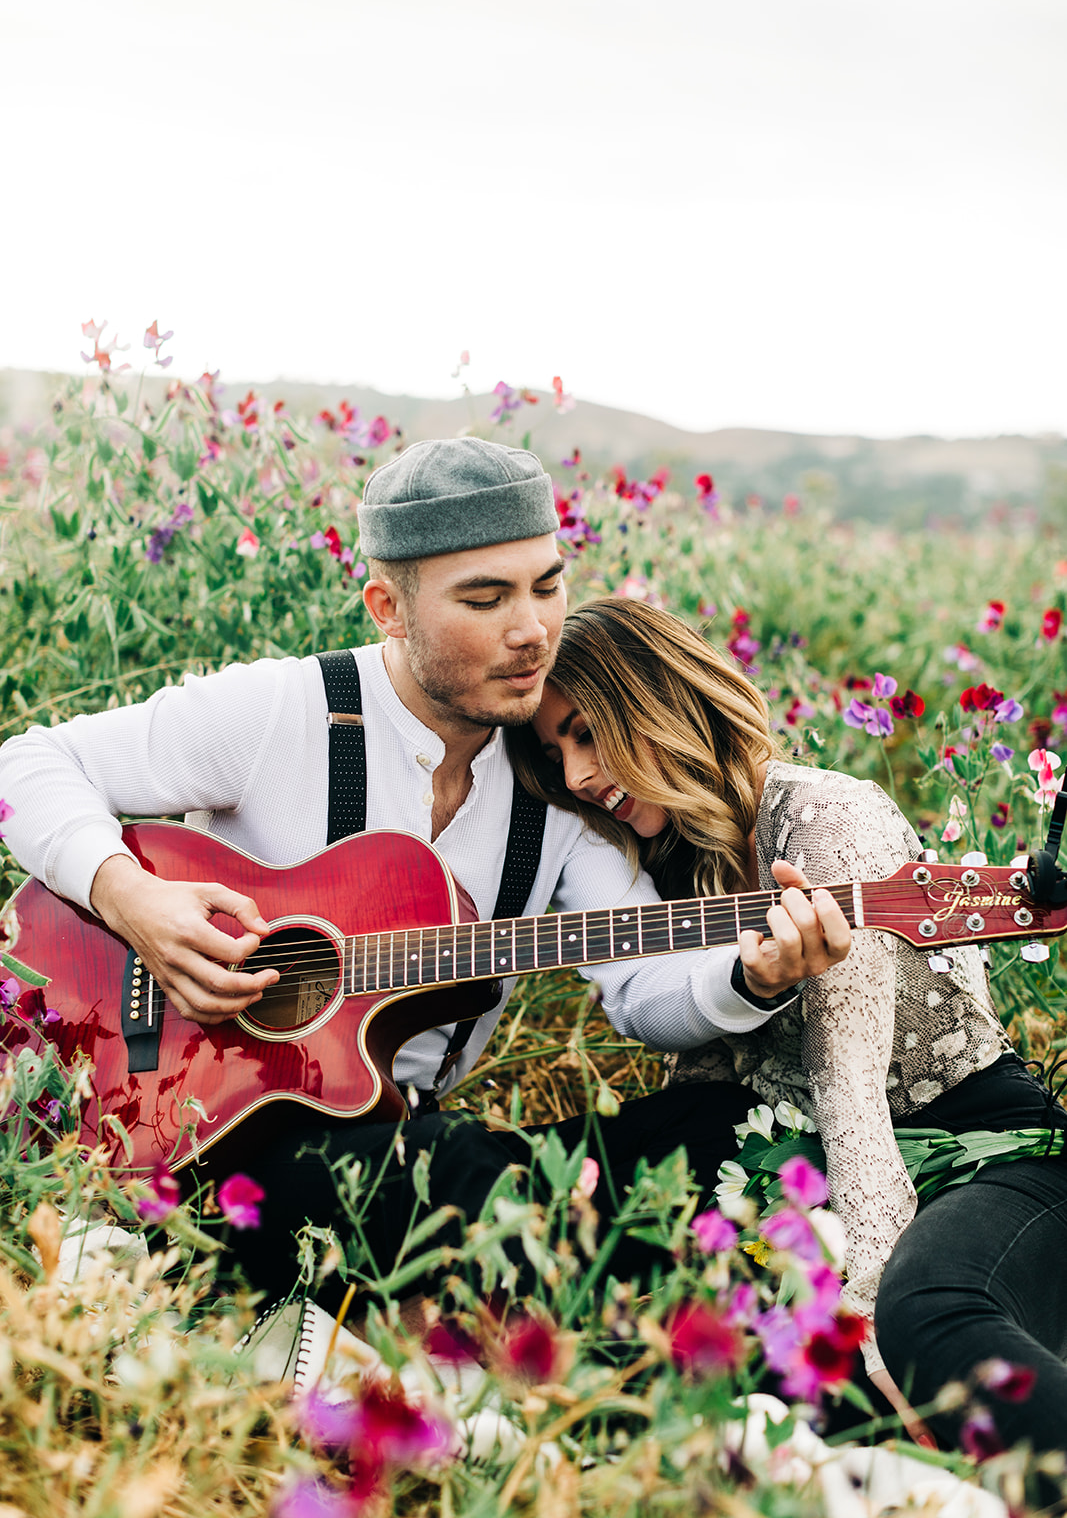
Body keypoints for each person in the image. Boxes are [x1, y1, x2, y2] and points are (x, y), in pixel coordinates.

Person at [0, 437, 850, 1326]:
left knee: (718, 1130)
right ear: (388, 608)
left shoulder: (551, 781)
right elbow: (28, 765)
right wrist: (132, 900)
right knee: (451, 1167)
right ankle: (594, 1319)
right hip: (208, 1142)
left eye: (546, 586)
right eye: (485, 599)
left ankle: (531, 1303)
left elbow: (642, 988)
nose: (531, 630)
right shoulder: (282, 711)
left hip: (400, 1145)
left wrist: (751, 976)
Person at [510, 595, 1067, 1458]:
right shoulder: (654, 856)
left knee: (926, 1317)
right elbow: (702, 1082)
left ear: (656, 697)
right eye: (556, 754)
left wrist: (861, 1304)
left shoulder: (821, 821)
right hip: (793, 1159)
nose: (577, 774)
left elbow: (852, 1103)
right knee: (574, 1214)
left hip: (977, 1150)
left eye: (587, 731)